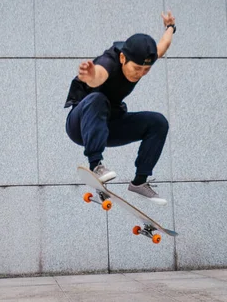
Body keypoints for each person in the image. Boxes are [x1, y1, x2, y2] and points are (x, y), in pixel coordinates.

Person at [64, 12, 176, 206]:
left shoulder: (143, 59)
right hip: (80, 124)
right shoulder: (108, 62)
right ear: (123, 58)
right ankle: (96, 166)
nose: (139, 74)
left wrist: (170, 27)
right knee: (98, 99)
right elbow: (99, 76)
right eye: (136, 69)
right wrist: (90, 75)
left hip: (109, 125)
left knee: (158, 122)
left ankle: (140, 181)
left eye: (145, 71)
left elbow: (162, 46)